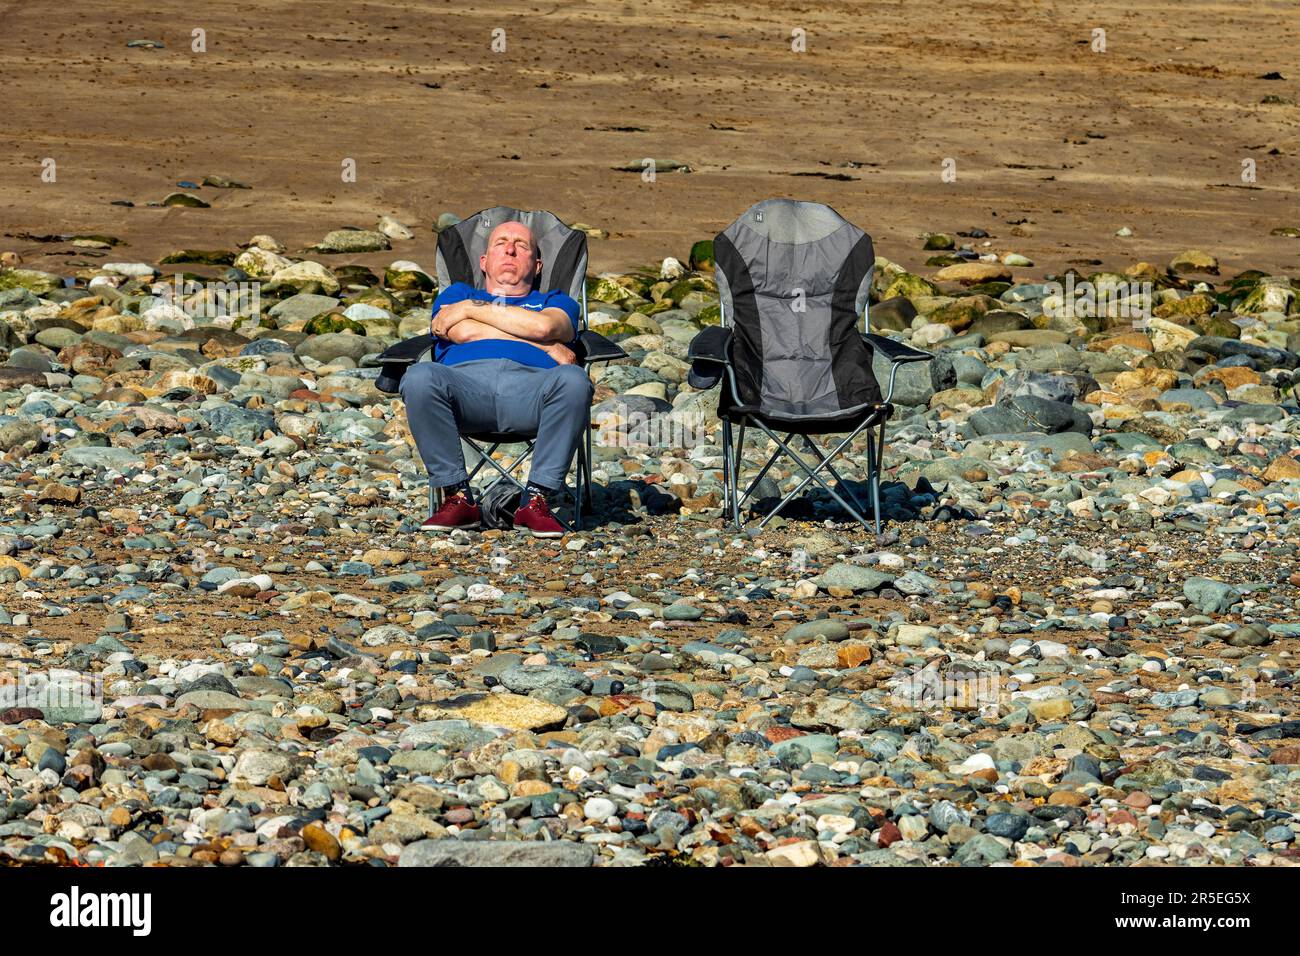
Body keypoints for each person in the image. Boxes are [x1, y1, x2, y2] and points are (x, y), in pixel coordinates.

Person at [399, 220, 593, 537]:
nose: (511, 249)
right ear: (484, 262)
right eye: (500, 242)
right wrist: (536, 341)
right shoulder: (459, 293)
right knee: (420, 376)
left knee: (573, 380)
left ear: (537, 264)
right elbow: (460, 331)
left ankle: (536, 501)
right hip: (464, 391)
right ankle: (458, 498)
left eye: (522, 245)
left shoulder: (556, 302)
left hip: (533, 395)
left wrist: (470, 311)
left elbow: (546, 327)